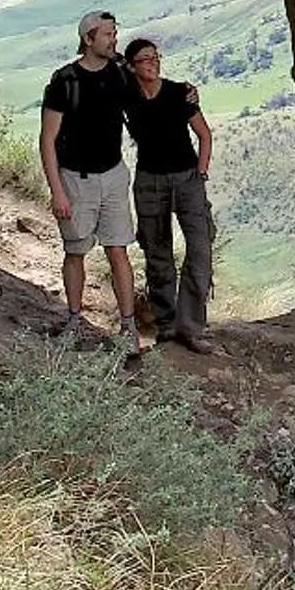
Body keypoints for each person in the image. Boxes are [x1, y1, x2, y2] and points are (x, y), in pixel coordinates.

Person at [39, 9, 142, 361]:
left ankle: (128, 327)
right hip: (75, 179)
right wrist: (57, 191)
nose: (115, 40)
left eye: (115, 33)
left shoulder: (119, 74)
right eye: (109, 35)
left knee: (118, 250)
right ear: (89, 39)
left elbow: (147, 103)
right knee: (76, 250)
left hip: (112, 175)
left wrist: (185, 96)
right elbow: (47, 140)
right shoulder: (64, 81)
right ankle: (74, 319)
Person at [122, 36, 215, 353]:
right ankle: (167, 326)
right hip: (150, 181)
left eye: (155, 57)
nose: (153, 63)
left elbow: (203, 134)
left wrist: (201, 173)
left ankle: (191, 326)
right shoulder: (127, 97)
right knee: (157, 254)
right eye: (145, 59)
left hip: (186, 179)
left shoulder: (179, 92)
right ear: (132, 65)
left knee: (200, 250)